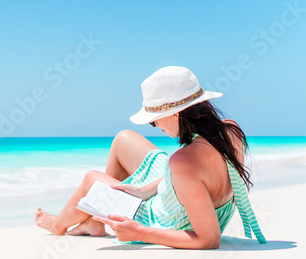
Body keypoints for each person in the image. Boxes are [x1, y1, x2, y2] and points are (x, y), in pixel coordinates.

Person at [34, 66, 266, 249]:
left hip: (174, 222)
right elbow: (202, 178)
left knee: (91, 179)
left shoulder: (184, 162)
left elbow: (208, 240)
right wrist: (146, 190)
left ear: (176, 113)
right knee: (123, 139)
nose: (154, 126)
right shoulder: (230, 130)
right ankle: (95, 222)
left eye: (154, 119)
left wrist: (138, 231)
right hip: (200, 206)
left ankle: (57, 225)